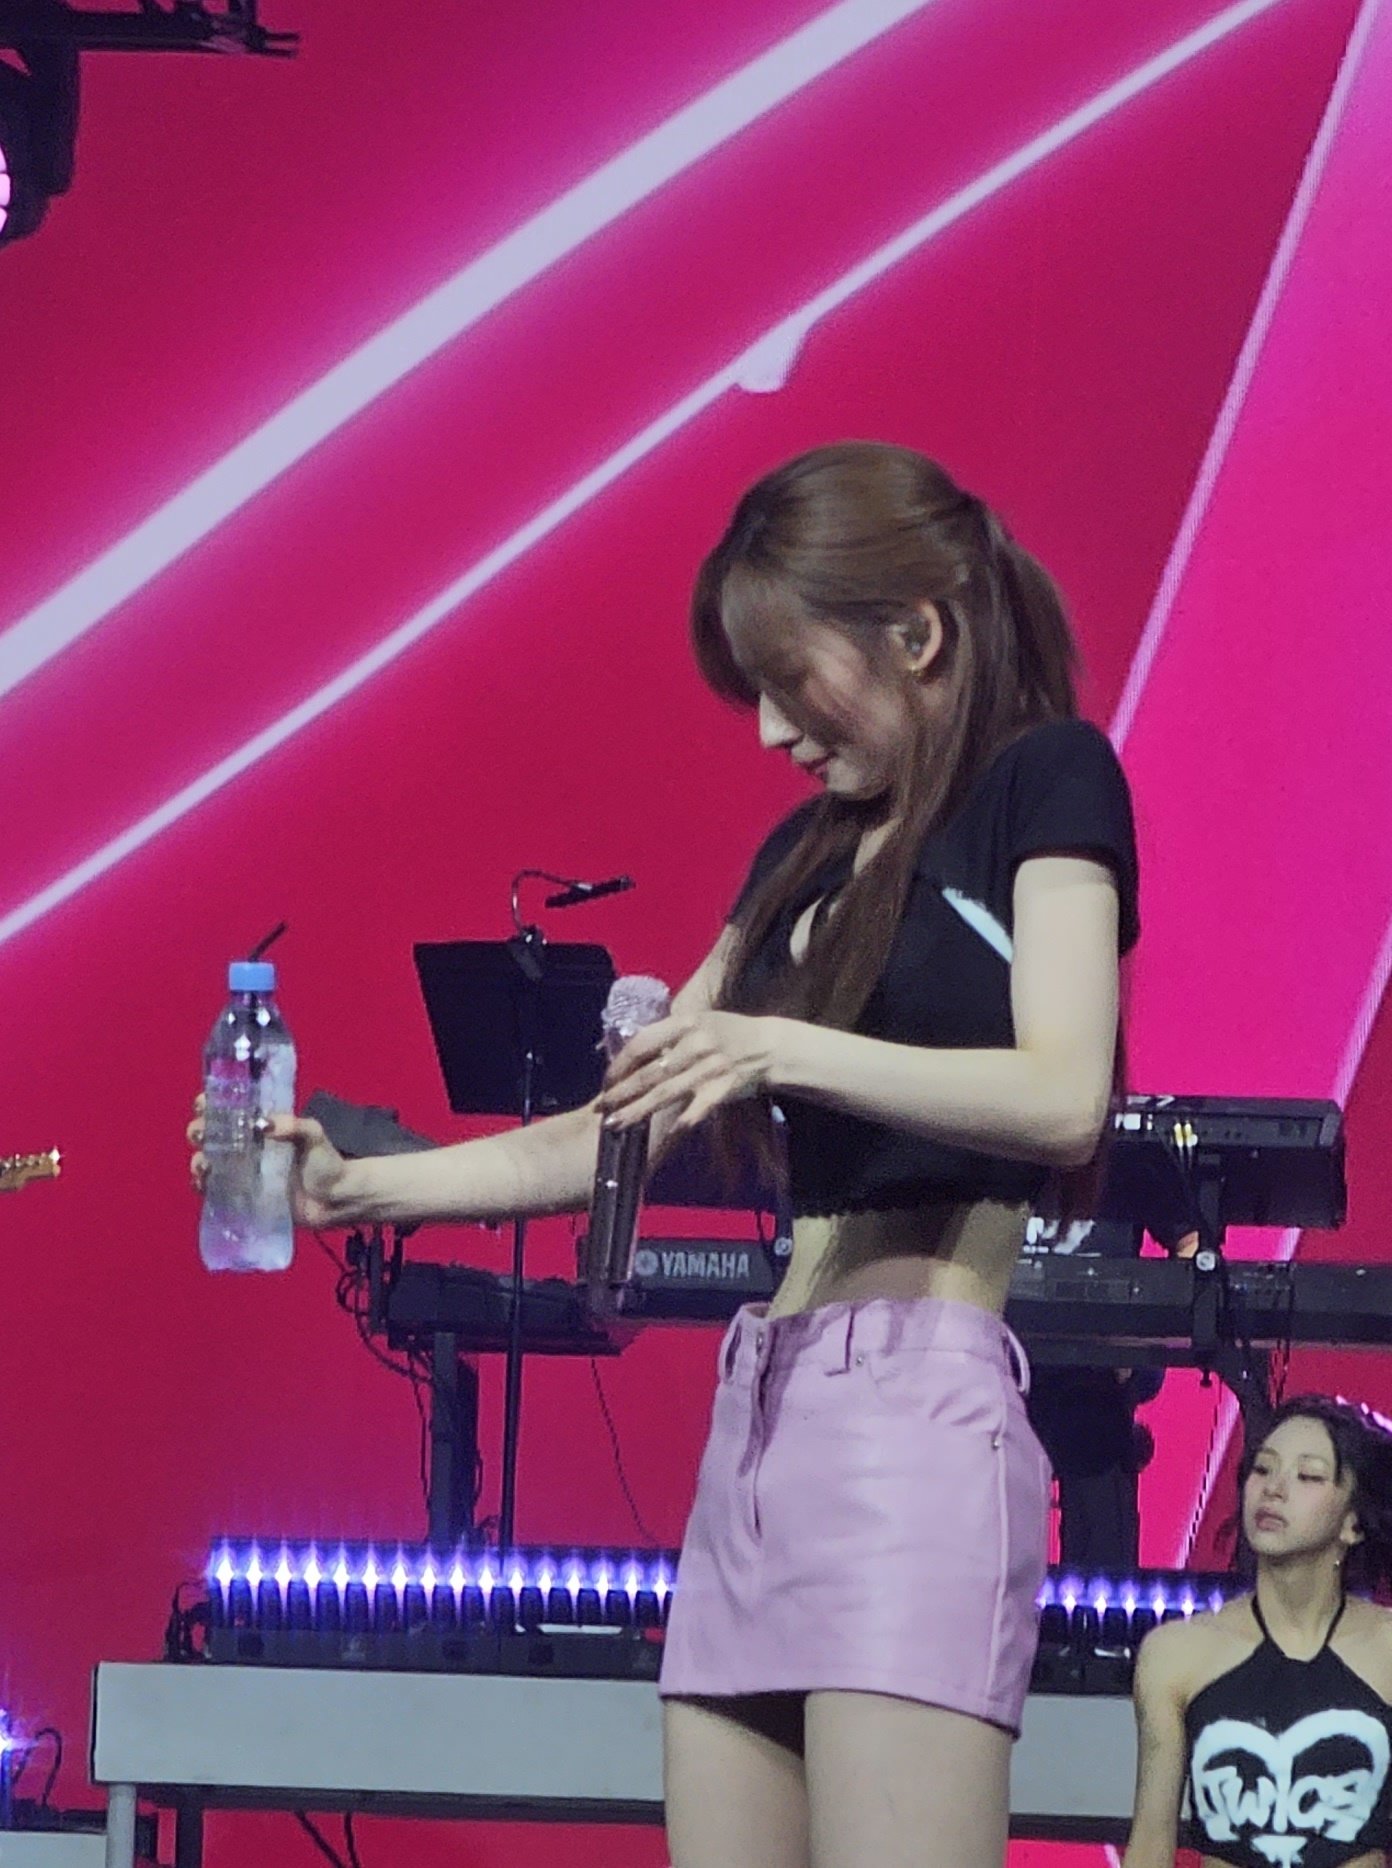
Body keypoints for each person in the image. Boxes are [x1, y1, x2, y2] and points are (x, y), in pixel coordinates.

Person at [191, 441, 1139, 1868]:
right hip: (762, 1419)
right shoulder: (802, 855)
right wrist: (367, 1185)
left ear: (917, 633)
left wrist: (779, 1048)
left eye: (788, 679)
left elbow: (1065, 1094)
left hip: (916, 1424)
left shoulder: (1047, 778)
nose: (768, 729)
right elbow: (620, 1124)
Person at [1123, 1394, 1392, 1868]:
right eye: (1263, 1469)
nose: (1274, 1489)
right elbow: (1150, 1845)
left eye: (1308, 1476)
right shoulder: (1176, 1653)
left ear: (1353, 1523)